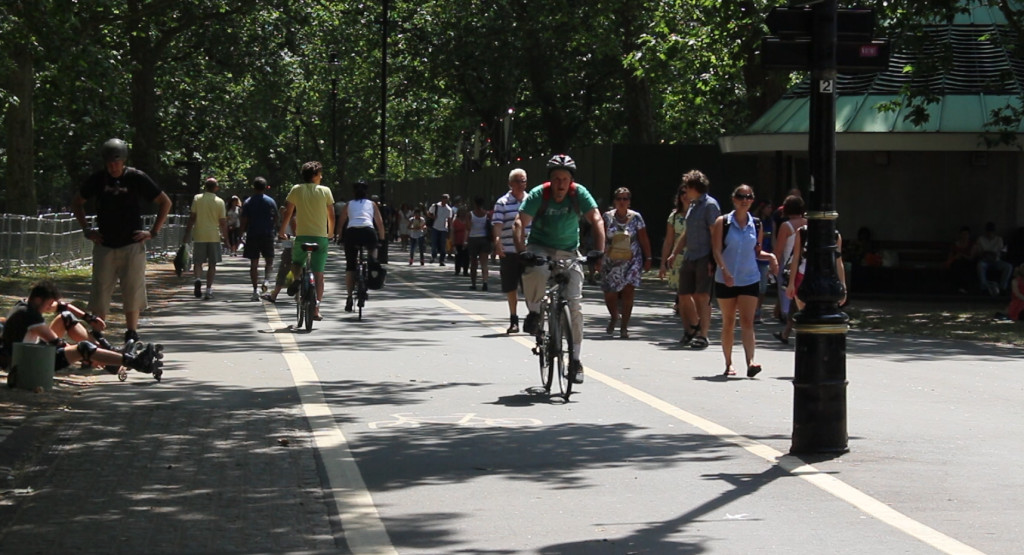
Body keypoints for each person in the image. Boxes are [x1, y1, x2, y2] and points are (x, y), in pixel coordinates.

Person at [71, 138, 172, 346]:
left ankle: (132, 332)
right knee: (100, 291)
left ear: (123, 161)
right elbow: (77, 202)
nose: (113, 166)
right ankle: (97, 333)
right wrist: (87, 230)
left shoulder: (136, 178)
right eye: (109, 163)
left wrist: (152, 231)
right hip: (105, 244)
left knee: (132, 289)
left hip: (132, 244)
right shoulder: (98, 179)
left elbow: (165, 202)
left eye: (116, 162)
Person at [514, 154, 605, 384]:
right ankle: (534, 312)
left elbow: (597, 220)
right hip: (540, 247)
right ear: (550, 180)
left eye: (565, 179)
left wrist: (598, 251)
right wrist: (522, 250)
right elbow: (519, 223)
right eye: (556, 179)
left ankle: (575, 359)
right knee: (536, 272)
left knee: (575, 305)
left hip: (568, 251)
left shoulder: (579, 194)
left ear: (571, 180)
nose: (561, 184)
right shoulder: (538, 194)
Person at [0, 281, 162, 379]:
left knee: (66, 317)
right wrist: (90, 356)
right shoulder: (32, 317)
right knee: (84, 348)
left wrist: (88, 318)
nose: (49, 308)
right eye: (48, 305)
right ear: (37, 300)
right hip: (27, 364)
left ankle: (115, 357)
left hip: (30, 351)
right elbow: (57, 344)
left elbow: (63, 306)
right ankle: (132, 361)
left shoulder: (23, 305)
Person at [710, 185, 777, 377]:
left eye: (748, 197)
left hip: (749, 277)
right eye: (741, 196)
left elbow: (757, 251)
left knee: (747, 321)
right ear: (734, 199)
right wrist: (725, 271)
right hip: (726, 279)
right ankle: (729, 363)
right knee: (729, 321)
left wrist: (771, 257)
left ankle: (751, 362)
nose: (744, 200)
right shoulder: (722, 222)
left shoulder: (756, 224)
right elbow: (716, 250)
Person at [665, 170, 720, 350]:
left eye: (687, 187)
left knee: (702, 296)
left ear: (694, 187)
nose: (685, 191)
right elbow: (687, 232)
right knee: (683, 295)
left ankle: (703, 335)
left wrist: (714, 258)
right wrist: (675, 253)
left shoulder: (710, 205)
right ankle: (692, 328)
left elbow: (715, 232)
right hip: (690, 255)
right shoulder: (693, 205)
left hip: (705, 256)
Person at [278, 161, 335, 321]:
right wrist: (330, 233)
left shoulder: (297, 189)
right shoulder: (325, 191)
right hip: (320, 237)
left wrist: (282, 231)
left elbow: (288, 212)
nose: (322, 177)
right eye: (320, 174)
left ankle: (296, 280)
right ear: (315, 176)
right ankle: (316, 309)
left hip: (302, 236)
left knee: (296, 264)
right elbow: (331, 215)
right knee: (319, 274)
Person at [779, 224, 848, 343]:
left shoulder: (835, 235)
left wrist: (843, 286)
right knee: (804, 314)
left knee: (820, 315)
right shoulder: (803, 232)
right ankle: (806, 342)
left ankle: (815, 343)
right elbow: (796, 258)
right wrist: (791, 283)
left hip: (824, 279)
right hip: (802, 276)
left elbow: (838, 261)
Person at [600, 187, 652, 339]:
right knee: (610, 293)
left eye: (625, 199)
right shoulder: (607, 217)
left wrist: (648, 258)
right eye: (619, 199)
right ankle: (615, 316)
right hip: (611, 260)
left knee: (629, 291)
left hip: (632, 259)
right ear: (614, 201)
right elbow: (601, 237)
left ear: (629, 201)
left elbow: (643, 238)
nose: (622, 202)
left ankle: (624, 327)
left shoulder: (636, 218)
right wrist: (598, 256)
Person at [338, 181, 386, 313]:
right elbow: (380, 223)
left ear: (353, 192)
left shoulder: (349, 204)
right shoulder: (372, 204)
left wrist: (340, 236)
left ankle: (349, 297)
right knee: (372, 257)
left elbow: (341, 223)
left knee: (350, 266)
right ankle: (370, 271)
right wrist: (381, 239)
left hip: (352, 232)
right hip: (368, 232)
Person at [493, 168, 529, 333]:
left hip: (530, 250)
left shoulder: (531, 200)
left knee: (530, 286)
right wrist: (497, 242)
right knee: (511, 286)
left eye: (524, 181)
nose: (522, 184)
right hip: (509, 249)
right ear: (510, 183)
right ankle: (514, 319)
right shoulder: (502, 203)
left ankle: (533, 317)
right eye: (518, 181)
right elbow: (498, 224)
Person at [184, 177, 229, 300]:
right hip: (214, 236)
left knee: (198, 262)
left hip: (199, 234)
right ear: (216, 188)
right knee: (212, 264)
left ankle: (198, 279)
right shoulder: (220, 202)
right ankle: (208, 290)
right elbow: (223, 222)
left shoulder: (197, 199)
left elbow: (192, 217)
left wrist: (187, 233)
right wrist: (226, 239)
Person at [771, 195, 807, 340]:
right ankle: (786, 333)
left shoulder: (786, 226)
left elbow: (779, 250)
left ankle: (796, 329)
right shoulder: (808, 223)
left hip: (788, 267)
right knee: (797, 299)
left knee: (790, 297)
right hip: (804, 266)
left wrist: (773, 266)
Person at [240, 177, 278, 301]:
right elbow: (276, 217)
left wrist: (241, 234)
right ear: (266, 187)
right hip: (267, 234)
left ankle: (255, 290)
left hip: (253, 234)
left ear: (254, 187)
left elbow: (244, 220)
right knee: (269, 260)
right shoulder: (271, 201)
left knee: (254, 264)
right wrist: (274, 229)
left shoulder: (248, 202)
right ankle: (266, 280)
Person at [658, 184, 688, 312]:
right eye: (683, 193)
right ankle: (682, 306)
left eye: (688, 193)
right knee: (682, 288)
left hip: (695, 256)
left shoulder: (699, 214)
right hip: (678, 257)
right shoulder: (674, 217)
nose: (686, 197)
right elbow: (669, 241)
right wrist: (663, 264)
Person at [261, 206, 295, 303]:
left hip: (292, 248)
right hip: (289, 246)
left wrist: (286, 241)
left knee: (283, 271)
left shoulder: (293, 219)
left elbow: (295, 236)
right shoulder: (290, 218)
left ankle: (274, 295)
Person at [973, 221, 1012, 295]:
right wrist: (984, 254)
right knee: (980, 265)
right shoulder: (981, 239)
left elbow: (1001, 252)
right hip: (984, 261)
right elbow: (978, 252)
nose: (989, 234)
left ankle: (1002, 287)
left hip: (996, 261)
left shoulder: (999, 239)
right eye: (988, 232)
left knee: (1008, 267)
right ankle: (984, 287)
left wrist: (997, 255)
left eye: (991, 232)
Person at [467, 196, 493, 290]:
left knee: (474, 263)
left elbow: (468, 227)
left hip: (473, 239)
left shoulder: (470, 214)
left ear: (474, 203)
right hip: (485, 239)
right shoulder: (487, 214)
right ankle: (485, 282)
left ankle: (473, 284)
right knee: (484, 263)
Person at [427, 194, 455, 265]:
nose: (445, 200)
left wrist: (450, 230)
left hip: (444, 229)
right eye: (444, 198)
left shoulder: (449, 209)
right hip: (435, 227)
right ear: (441, 199)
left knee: (443, 245)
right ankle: (433, 256)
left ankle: (441, 260)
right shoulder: (435, 206)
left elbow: (449, 220)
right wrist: (433, 217)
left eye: (446, 199)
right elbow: (428, 213)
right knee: (434, 243)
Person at [946, 226, 974, 294]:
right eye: (963, 234)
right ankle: (959, 287)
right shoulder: (955, 245)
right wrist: (956, 257)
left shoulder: (972, 245)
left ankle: (962, 287)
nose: (964, 236)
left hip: (967, 263)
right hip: (956, 263)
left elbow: (972, 257)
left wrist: (963, 256)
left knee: (964, 266)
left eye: (966, 234)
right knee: (957, 265)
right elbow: (950, 257)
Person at [452, 207, 470, 277]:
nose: (462, 213)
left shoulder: (468, 221)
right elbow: (452, 232)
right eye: (461, 212)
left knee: (466, 257)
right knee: (458, 257)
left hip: (466, 242)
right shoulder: (455, 221)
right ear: (458, 213)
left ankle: (465, 271)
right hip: (457, 241)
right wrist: (453, 243)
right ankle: (457, 270)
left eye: (464, 212)